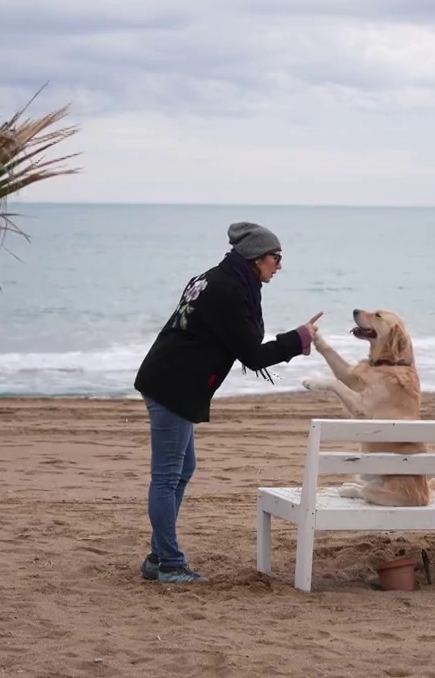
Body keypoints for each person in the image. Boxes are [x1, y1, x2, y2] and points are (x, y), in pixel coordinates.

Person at [133, 221, 322, 583]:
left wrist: (295, 340)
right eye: (275, 257)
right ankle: (168, 564)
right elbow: (252, 354)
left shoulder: (220, 279)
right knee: (167, 477)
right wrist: (297, 340)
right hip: (172, 385)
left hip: (171, 380)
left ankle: (159, 557)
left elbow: (233, 341)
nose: (279, 265)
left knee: (181, 471)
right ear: (255, 258)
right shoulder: (228, 290)